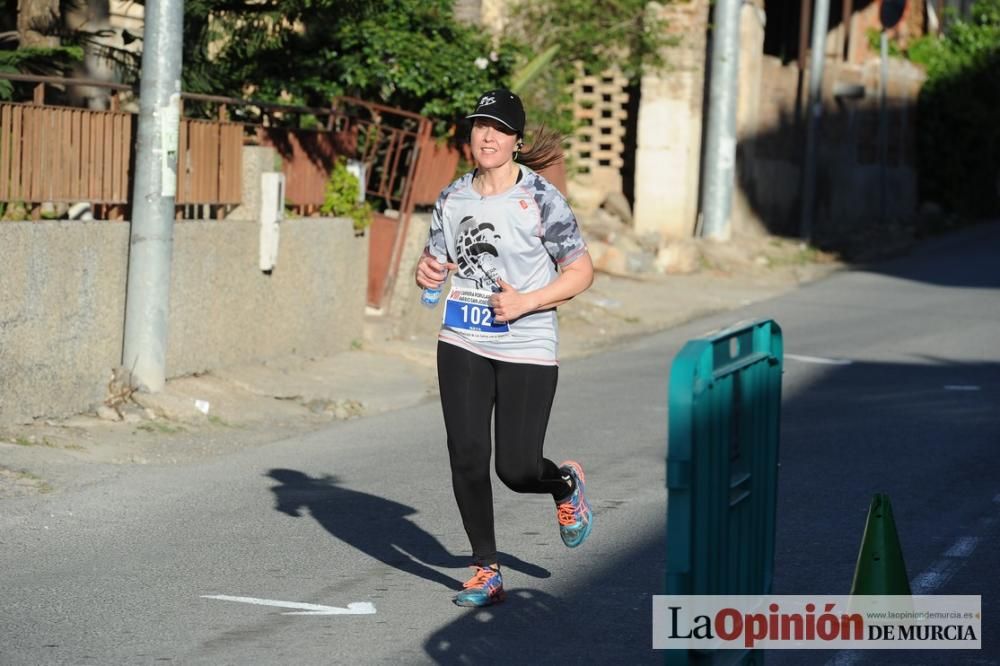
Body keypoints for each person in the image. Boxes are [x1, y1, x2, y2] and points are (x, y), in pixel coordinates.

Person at [415, 89, 595, 607]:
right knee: (467, 456)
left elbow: (581, 271)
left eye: (498, 128)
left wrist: (527, 302)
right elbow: (434, 265)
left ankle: (563, 484)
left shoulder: (540, 198)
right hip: (463, 337)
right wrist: (426, 272)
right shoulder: (452, 199)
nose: (487, 136)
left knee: (515, 469)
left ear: (516, 140)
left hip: (527, 342)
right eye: (479, 126)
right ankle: (485, 569)